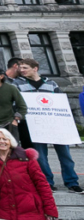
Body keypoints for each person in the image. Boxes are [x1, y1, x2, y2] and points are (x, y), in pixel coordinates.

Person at [14, 59, 81, 192]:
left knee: (65, 155)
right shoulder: (17, 84)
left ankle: (72, 182)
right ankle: (47, 182)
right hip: (35, 125)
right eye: (21, 68)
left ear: (35, 68)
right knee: (41, 156)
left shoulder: (51, 84)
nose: (22, 70)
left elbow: (61, 103)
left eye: (25, 67)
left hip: (56, 125)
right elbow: (16, 103)